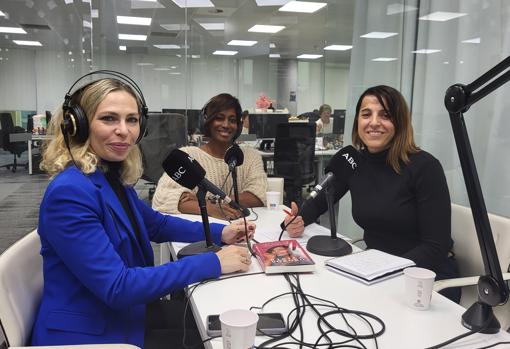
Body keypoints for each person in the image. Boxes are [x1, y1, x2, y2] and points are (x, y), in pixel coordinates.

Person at [32, 76, 255, 349]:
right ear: (78, 126)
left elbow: (157, 225)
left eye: (132, 120)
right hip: (92, 335)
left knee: (214, 323)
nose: (124, 131)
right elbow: (118, 287)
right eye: (109, 119)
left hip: (125, 314)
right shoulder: (70, 193)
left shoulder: (105, 176)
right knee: (215, 338)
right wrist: (215, 263)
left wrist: (224, 232)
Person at [284, 85, 460, 303]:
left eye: (385, 115)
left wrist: (386, 272)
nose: (374, 122)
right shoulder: (355, 162)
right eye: (366, 114)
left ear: (400, 122)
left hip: (424, 277)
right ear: (358, 121)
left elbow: (436, 246)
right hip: (376, 270)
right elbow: (318, 203)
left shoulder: (425, 167)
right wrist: (297, 219)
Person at [152, 93, 267, 220]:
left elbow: (258, 195)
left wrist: (204, 201)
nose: (226, 125)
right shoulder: (188, 155)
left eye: (232, 120)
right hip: (201, 231)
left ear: (239, 126)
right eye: (219, 118)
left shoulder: (251, 156)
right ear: (207, 122)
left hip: (245, 228)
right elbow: (162, 198)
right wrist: (211, 209)